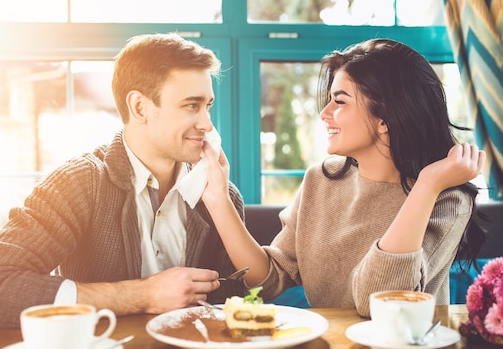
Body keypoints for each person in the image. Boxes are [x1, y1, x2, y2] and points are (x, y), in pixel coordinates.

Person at [0, 33, 246, 330]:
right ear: (139, 107)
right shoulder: (79, 184)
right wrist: (141, 295)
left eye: (207, 106)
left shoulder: (221, 197)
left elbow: (237, 308)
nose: (207, 124)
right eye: (191, 106)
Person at [202, 38, 487, 317]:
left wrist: (426, 186)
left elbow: (379, 303)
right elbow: (269, 280)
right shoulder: (320, 180)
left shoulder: (447, 198)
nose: (325, 113)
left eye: (339, 101)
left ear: (384, 118)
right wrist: (218, 200)